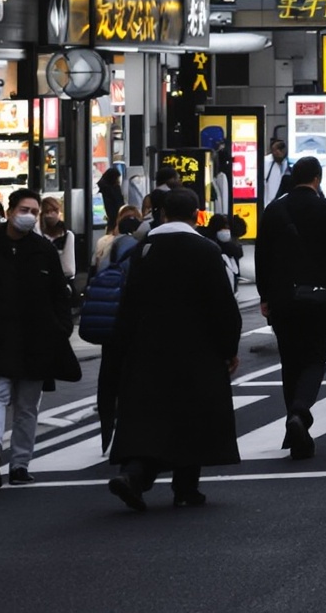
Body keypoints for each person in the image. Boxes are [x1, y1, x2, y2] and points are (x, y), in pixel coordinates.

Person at [103, 188, 242, 509]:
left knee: (147, 417)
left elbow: (127, 305)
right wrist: (228, 347)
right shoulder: (205, 250)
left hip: (146, 348)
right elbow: (223, 305)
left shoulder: (142, 250)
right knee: (192, 415)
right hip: (198, 349)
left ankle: (134, 474)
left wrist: (122, 349)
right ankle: (185, 487)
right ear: (197, 215)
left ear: (162, 214)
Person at [0, 188, 83, 488]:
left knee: (28, 405)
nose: (29, 216)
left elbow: (59, 295)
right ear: (10, 210)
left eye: (34, 212)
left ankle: (20, 464)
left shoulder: (43, 251)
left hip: (36, 340)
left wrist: (61, 328)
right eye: (24, 210)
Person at [255, 156, 326, 461]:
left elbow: (262, 256)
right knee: (314, 359)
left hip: (282, 298)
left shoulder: (274, 210)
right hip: (318, 296)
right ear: (317, 179)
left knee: (290, 362)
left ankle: (294, 429)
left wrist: (265, 295)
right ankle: (300, 411)